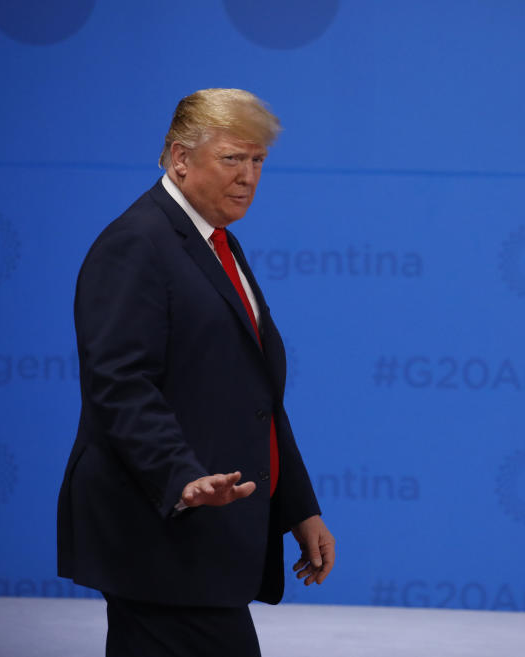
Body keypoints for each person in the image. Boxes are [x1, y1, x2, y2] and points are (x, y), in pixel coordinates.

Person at [57, 88, 335, 657]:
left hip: (202, 539)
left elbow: (255, 394)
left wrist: (299, 507)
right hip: (158, 533)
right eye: (233, 158)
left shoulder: (216, 243)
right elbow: (119, 383)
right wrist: (181, 477)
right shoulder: (137, 242)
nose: (249, 176)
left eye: (258, 161)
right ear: (180, 158)